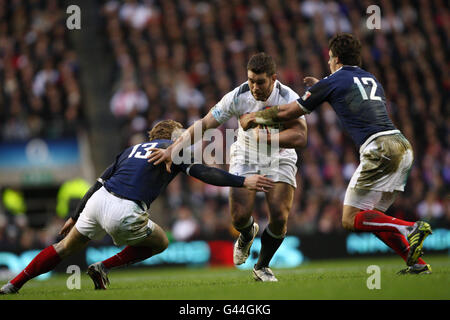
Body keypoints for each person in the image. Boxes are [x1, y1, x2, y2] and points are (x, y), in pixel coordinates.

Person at [0, 120, 274, 294]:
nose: (185, 136)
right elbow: (204, 173)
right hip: (125, 210)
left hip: (97, 201)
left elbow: (97, 183)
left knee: (63, 248)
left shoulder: (131, 149)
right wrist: (242, 181)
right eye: (181, 133)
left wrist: (75, 216)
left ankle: (14, 284)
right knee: (161, 242)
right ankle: (104, 266)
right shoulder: (172, 147)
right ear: (170, 135)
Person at [239, 34, 432, 274]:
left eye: (330, 58)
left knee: (350, 218)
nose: (329, 62)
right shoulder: (370, 78)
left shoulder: (333, 81)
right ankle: (417, 264)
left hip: (379, 148)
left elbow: (289, 112)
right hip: (402, 146)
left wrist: (254, 117)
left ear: (336, 58)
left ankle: (410, 228)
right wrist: (322, 87)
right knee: (373, 217)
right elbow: (352, 99)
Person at [148, 53, 307, 281]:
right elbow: (204, 125)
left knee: (280, 216)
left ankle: (262, 266)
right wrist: (172, 149)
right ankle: (246, 233)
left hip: (280, 156)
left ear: (273, 78)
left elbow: (301, 137)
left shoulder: (288, 97)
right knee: (239, 216)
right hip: (246, 154)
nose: (254, 86)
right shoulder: (237, 96)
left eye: (260, 82)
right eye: (251, 80)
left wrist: (265, 137)